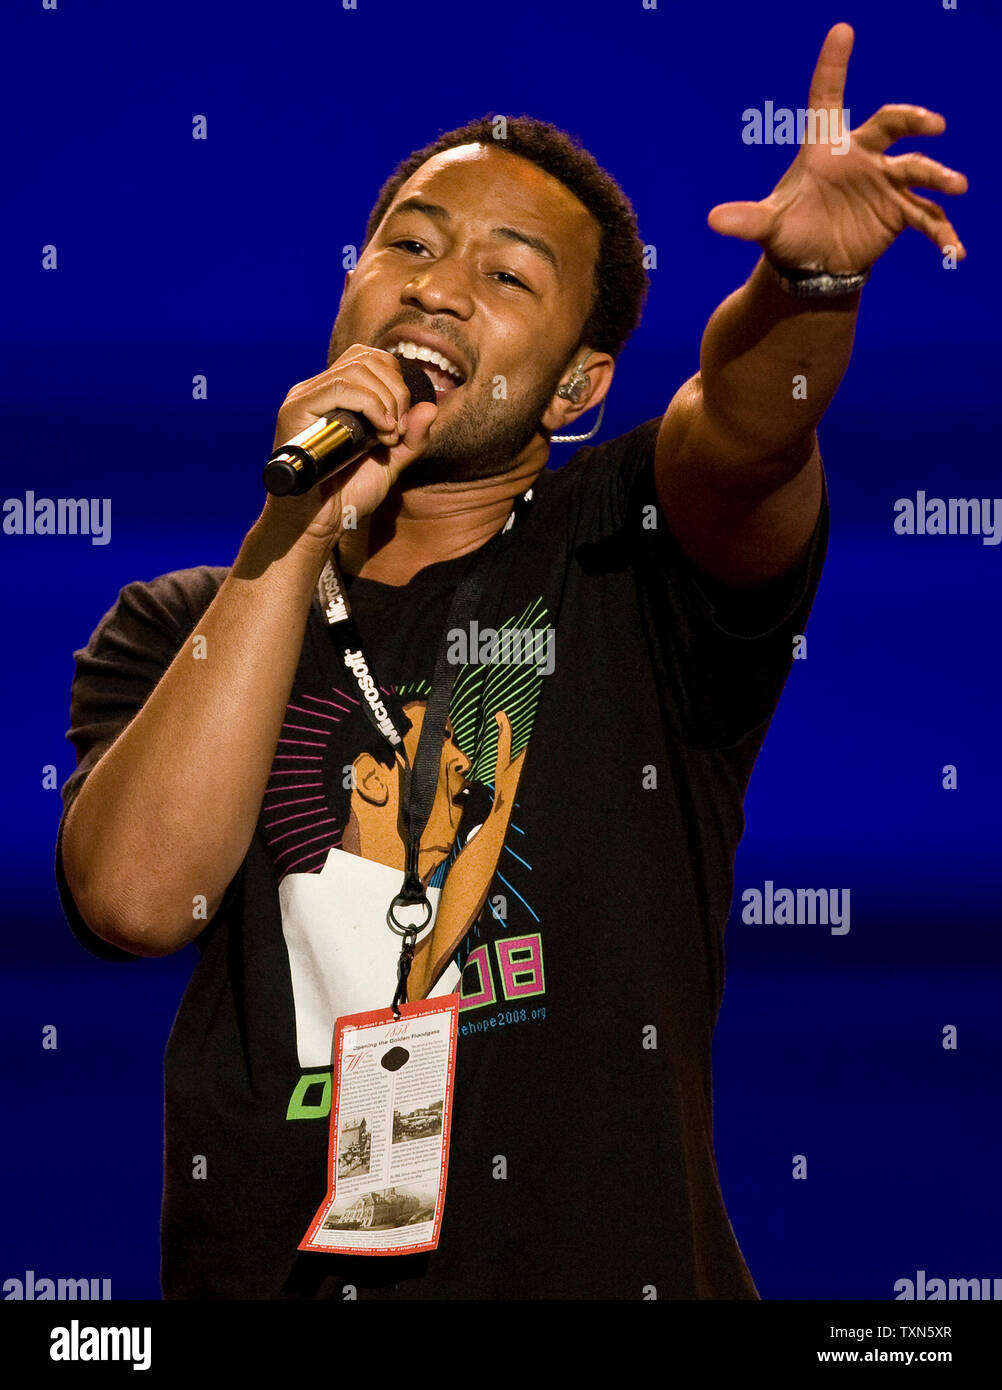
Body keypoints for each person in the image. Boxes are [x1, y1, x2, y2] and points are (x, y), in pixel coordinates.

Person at [55, 25, 967, 1299]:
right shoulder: (180, 626)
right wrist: (297, 525)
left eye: (508, 276)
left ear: (576, 386)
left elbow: (749, 429)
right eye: (411, 245)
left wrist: (804, 294)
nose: (438, 287)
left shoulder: (630, 545)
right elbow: (138, 902)